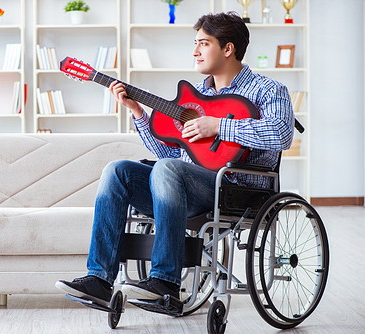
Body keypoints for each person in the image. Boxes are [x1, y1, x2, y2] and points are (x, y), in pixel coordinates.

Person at [55, 11, 294, 307]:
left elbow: (282, 133)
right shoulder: (194, 98)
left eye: (203, 44)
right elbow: (173, 157)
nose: (195, 51)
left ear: (228, 48)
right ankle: (100, 279)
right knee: (117, 170)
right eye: (195, 43)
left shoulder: (268, 90)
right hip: (186, 187)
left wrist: (217, 125)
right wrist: (137, 112)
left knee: (168, 170)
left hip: (236, 189)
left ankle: (165, 281)